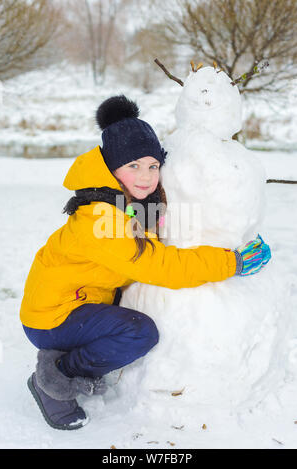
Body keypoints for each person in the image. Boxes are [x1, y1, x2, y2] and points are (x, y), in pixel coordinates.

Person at [20, 95, 271, 430]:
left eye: (153, 166)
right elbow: (158, 265)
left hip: (76, 301)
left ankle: (63, 360)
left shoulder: (121, 201)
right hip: (52, 317)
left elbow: (145, 234)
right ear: (112, 168)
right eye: (133, 166)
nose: (146, 177)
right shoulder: (99, 218)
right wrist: (231, 262)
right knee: (138, 333)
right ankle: (55, 378)